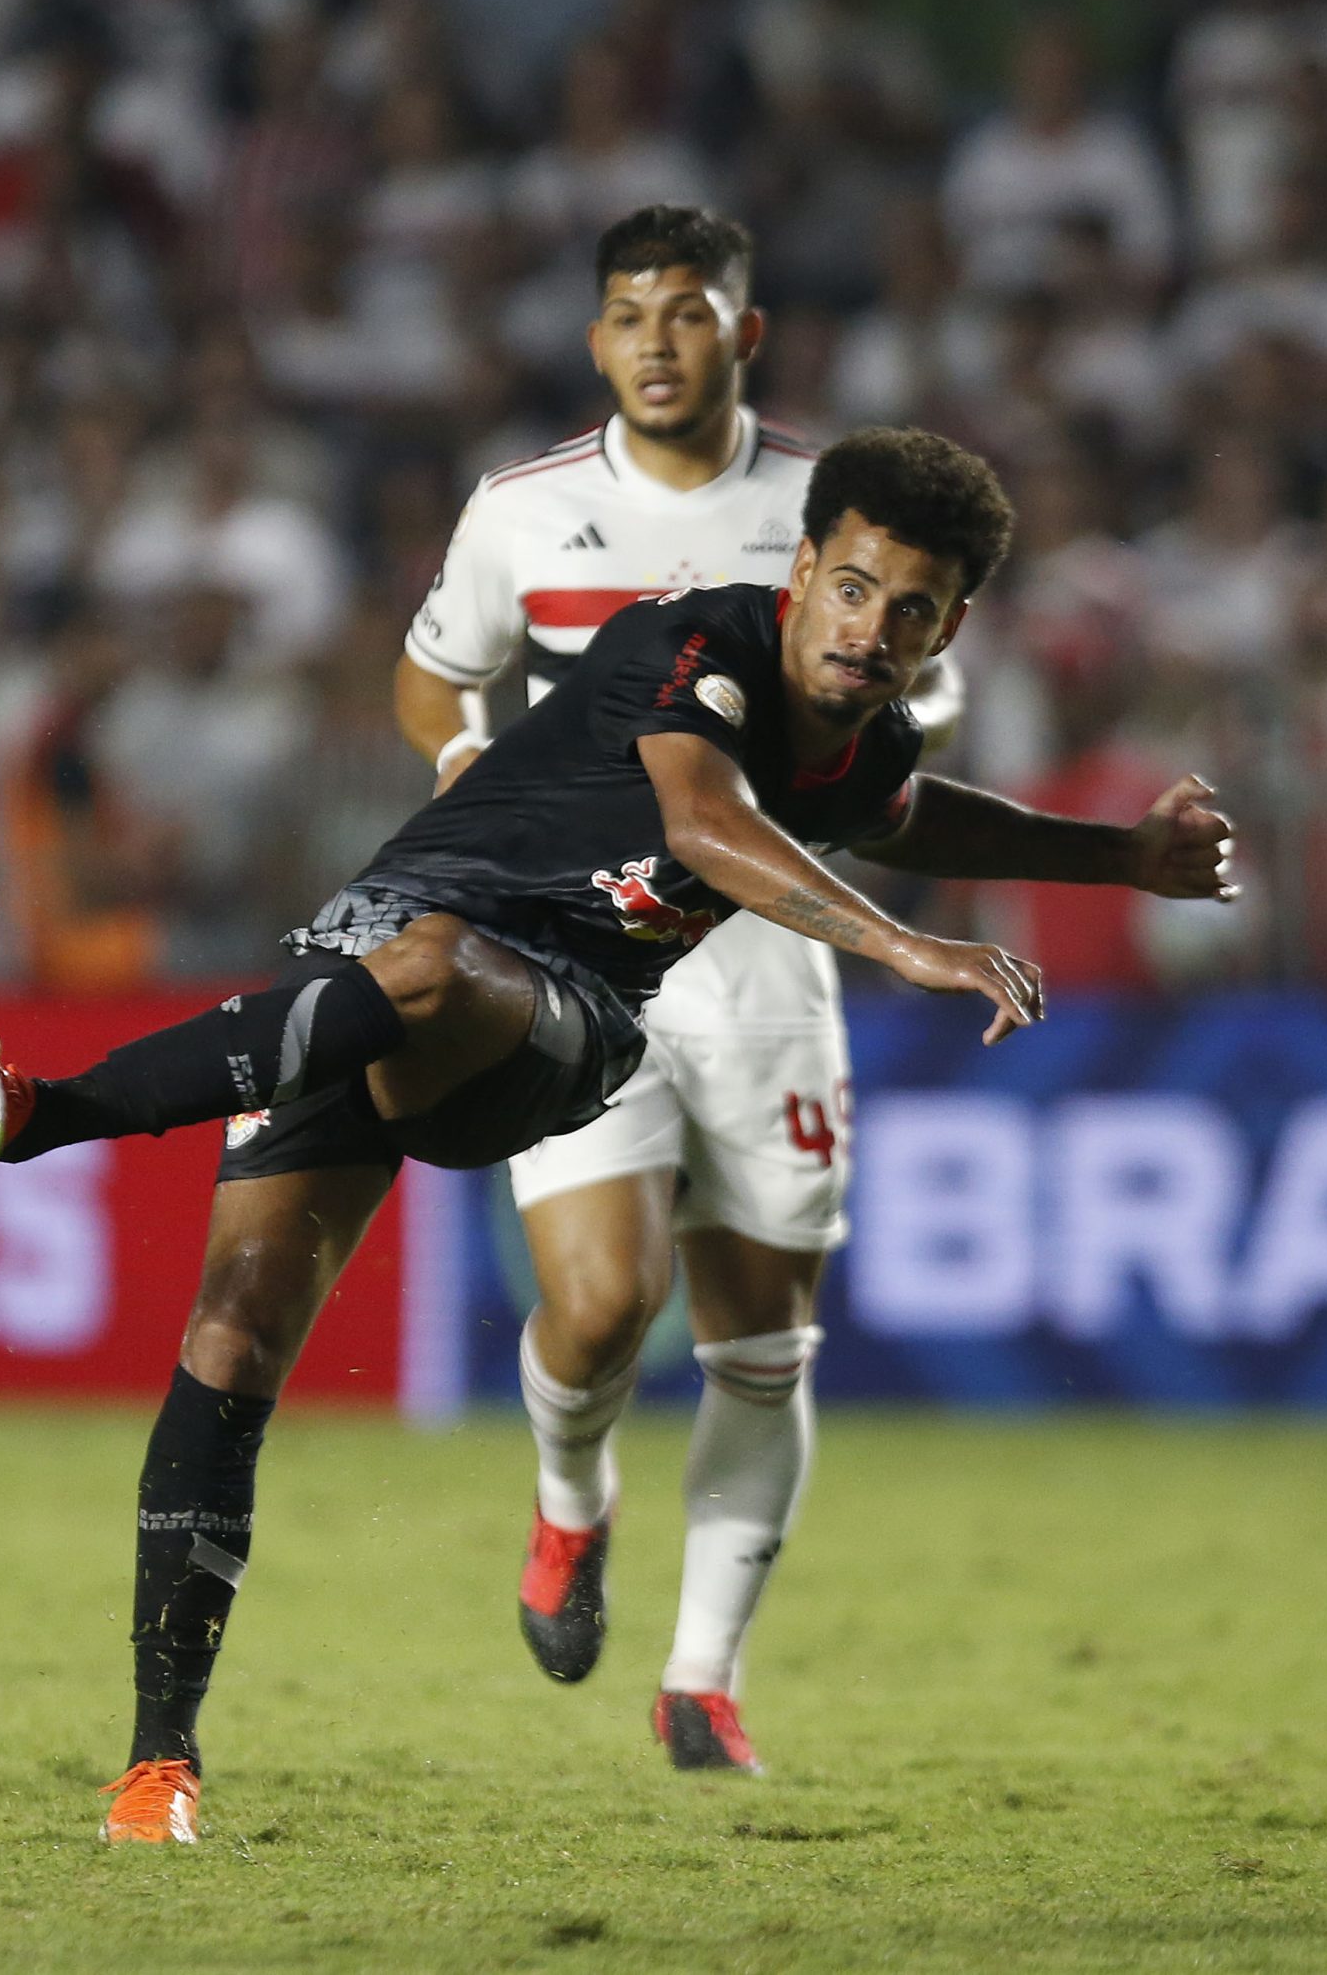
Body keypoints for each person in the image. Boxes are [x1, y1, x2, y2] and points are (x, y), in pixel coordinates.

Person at [0, 426, 1233, 1842]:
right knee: (233, 1334)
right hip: (368, 961)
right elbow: (700, 819)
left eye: (914, 611)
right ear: (807, 569)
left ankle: (48, 1115)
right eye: (857, 589)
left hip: (555, 1020)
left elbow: (907, 815)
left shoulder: (859, 737)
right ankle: (159, 1767)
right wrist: (906, 948)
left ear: (955, 625)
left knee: (445, 975)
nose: (874, 632)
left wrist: (1120, 855)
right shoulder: (692, 640)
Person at [394, 204, 967, 1774]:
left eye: (692, 312)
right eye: (631, 315)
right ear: (596, 342)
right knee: (593, 1311)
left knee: (761, 1334)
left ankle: (701, 1681)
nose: (659, 340)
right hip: (579, 943)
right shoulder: (523, 510)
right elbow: (438, 663)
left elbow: (917, 710)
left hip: (772, 956)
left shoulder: (829, 508)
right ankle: (571, 1500)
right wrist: (468, 760)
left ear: (745, 332)